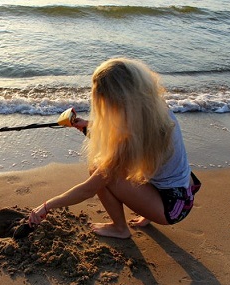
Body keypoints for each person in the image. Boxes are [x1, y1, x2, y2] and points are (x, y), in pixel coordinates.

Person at [28, 57, 201, 239]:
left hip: (171, 208)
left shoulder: (128, 140)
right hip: (183, 192)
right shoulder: (155, 109)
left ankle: (120, 228)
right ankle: (149, 210)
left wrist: (46, 206)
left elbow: (88, 189)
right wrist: (89, 126)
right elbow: (123, 132)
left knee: (98, 169)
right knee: (121, 166)